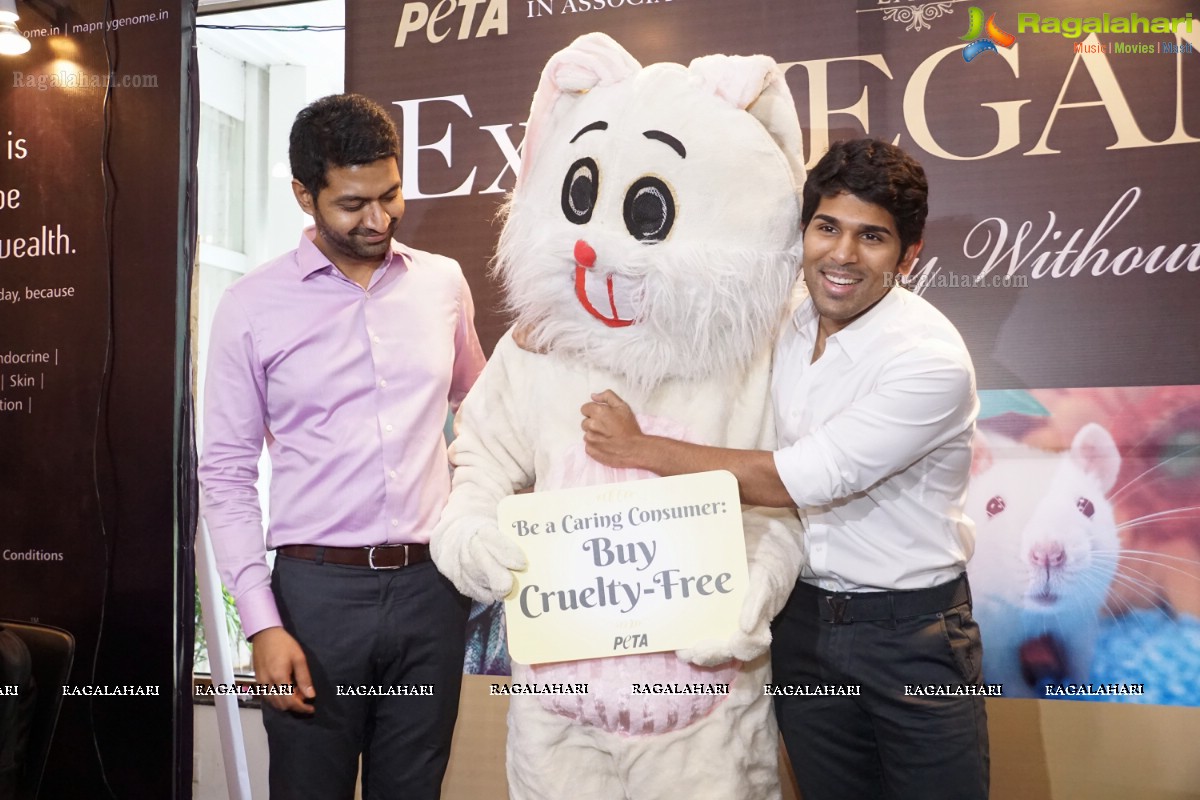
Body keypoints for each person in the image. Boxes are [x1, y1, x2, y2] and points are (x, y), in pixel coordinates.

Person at [582, 138, 989, 800]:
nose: (842, 254)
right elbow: (679, 324)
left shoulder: (929, 360)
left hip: (910, 635)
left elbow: (800, 479)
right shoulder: (790, 324)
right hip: (800, 623)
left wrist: (639, 447)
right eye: (826, 227)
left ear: (908, 255)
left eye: (872, 238)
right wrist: (554, 334)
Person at [198, 93, 485, 800]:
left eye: (391, 194)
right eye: (354, 203)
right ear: (304, 194)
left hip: (431, 593)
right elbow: (227, 476)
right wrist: (262, 623)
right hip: (313, 600)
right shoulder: (250, 309)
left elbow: (479, 414)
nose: (379, 219)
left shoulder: (443, 284)